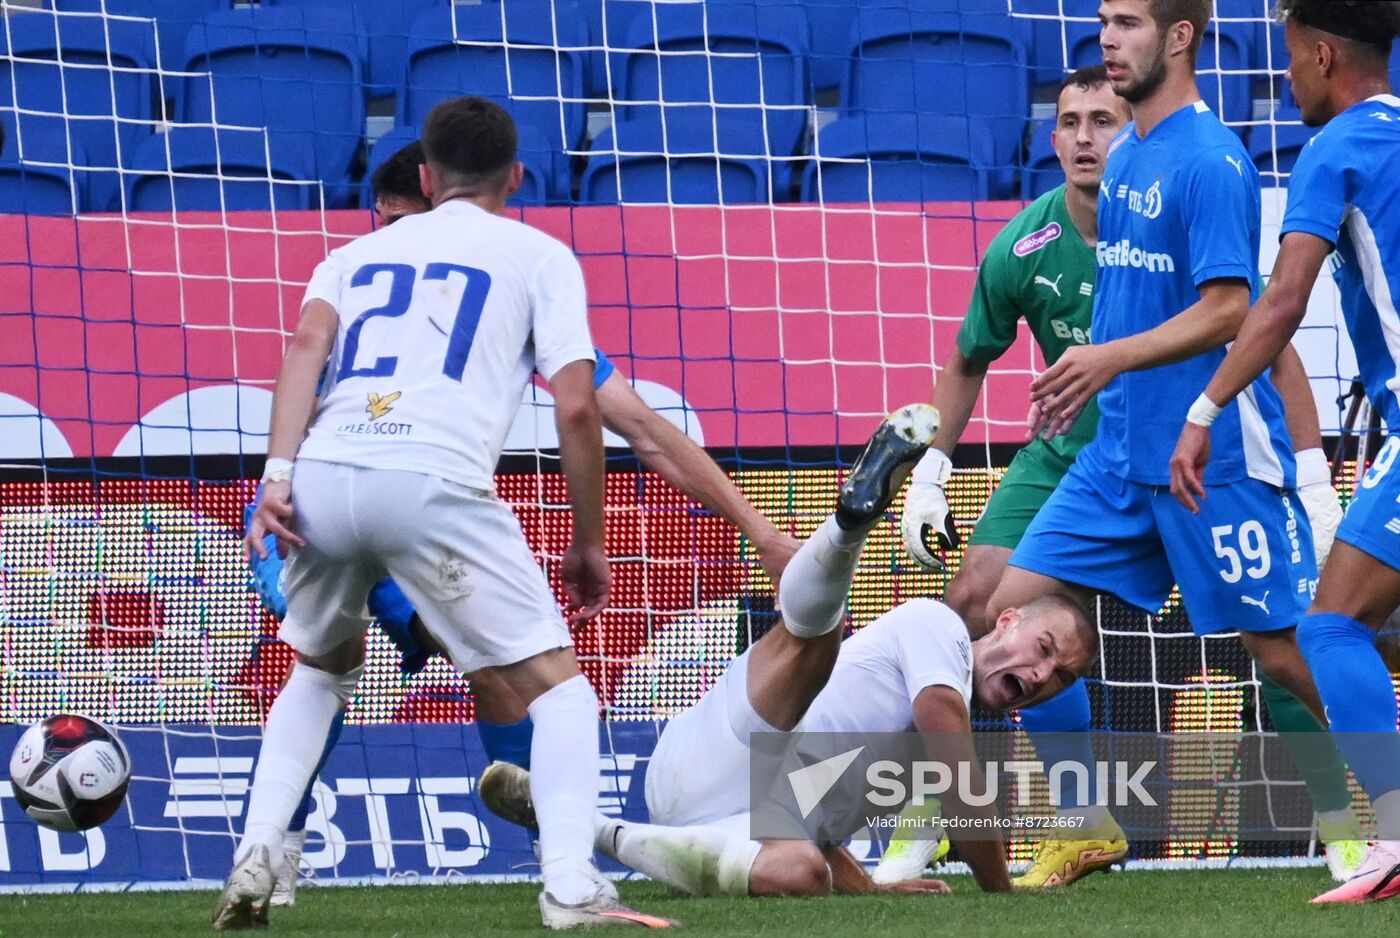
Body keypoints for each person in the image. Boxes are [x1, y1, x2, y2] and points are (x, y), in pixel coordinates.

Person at [245, 143, 801, 906]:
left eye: (397, 215)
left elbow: (641, 426)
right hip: (377, 498)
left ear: (430, 198)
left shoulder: (397, 273)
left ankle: (537, 835)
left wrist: (759, 529)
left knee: (412, 672)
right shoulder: (500, 269)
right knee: (367, 664)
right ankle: (300, 848)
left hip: (324, 497)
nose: (392, 231)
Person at [898, 61, 1360, 885]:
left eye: (1102, 121)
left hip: (1197, 452)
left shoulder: (1176, 188)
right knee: (983, 611)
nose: (1086, 138)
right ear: (1051, 137)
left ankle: (1354, 824)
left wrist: (1315, 479)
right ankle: (1058, 818)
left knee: (1279, 645)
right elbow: (969, 356)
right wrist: (932, 466)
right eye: (1070, 122)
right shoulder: (1026, 244)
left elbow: (1266, 337)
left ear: (1132, 129)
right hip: (1094, 458)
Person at [214, 96, 670, 930]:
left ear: (424, 179)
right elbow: (577, 408)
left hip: (322, 472)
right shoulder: (540, 254)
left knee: (319, 667)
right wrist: (590, 538)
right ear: (517, 177)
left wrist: (277, 475)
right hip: (430, 477)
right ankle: (571, 886)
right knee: (562, 697)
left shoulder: (350, 258)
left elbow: (303, 351)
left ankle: (259, 849)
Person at [482, 405, 1101, 897]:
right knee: (816, 645)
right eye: (1044, 648)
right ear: (1008, 618)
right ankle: (845, 531)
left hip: (724, 834)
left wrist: (867, 891)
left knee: (805, 873)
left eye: (1059, 676)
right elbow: (962, 783)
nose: (1043, 673)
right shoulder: (937, 629)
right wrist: (1001, 890)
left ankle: (588, 827)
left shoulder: (927, 740)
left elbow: (822, 820)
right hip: (713, 759)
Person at [1168, 0, 1400, 905]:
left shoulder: (1335, 149)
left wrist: (1207, 403)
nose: (1287, 77)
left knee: (1330, 623)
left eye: (1292, 58)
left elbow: (1278, 303)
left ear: (1324, 52)